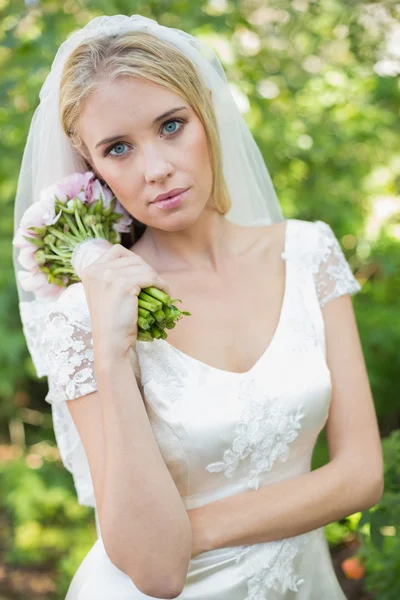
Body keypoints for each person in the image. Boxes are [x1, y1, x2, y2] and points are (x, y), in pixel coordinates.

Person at [13, 14, 384, 600]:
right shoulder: (87, 315)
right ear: (93, 168)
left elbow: (361, 474)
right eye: (118, 148)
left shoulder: (308, 252)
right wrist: (110, 351)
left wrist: (188, 532)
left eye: (170, 125)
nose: (155, 169)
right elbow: (156, 572)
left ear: (207, 115)